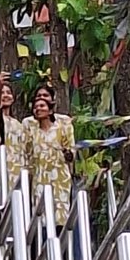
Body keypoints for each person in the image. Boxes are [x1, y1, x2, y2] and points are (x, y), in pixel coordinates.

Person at [21, 87, 75, 228]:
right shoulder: (32, 130)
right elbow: (27, 153)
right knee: (41, 217)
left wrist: (67, 153)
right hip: (39, 178)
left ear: (50, 109)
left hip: (60, 179)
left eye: (42, 105)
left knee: (61, 217)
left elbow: (71, 152)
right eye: (36, 106)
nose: (38, 109)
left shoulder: (62, 126)